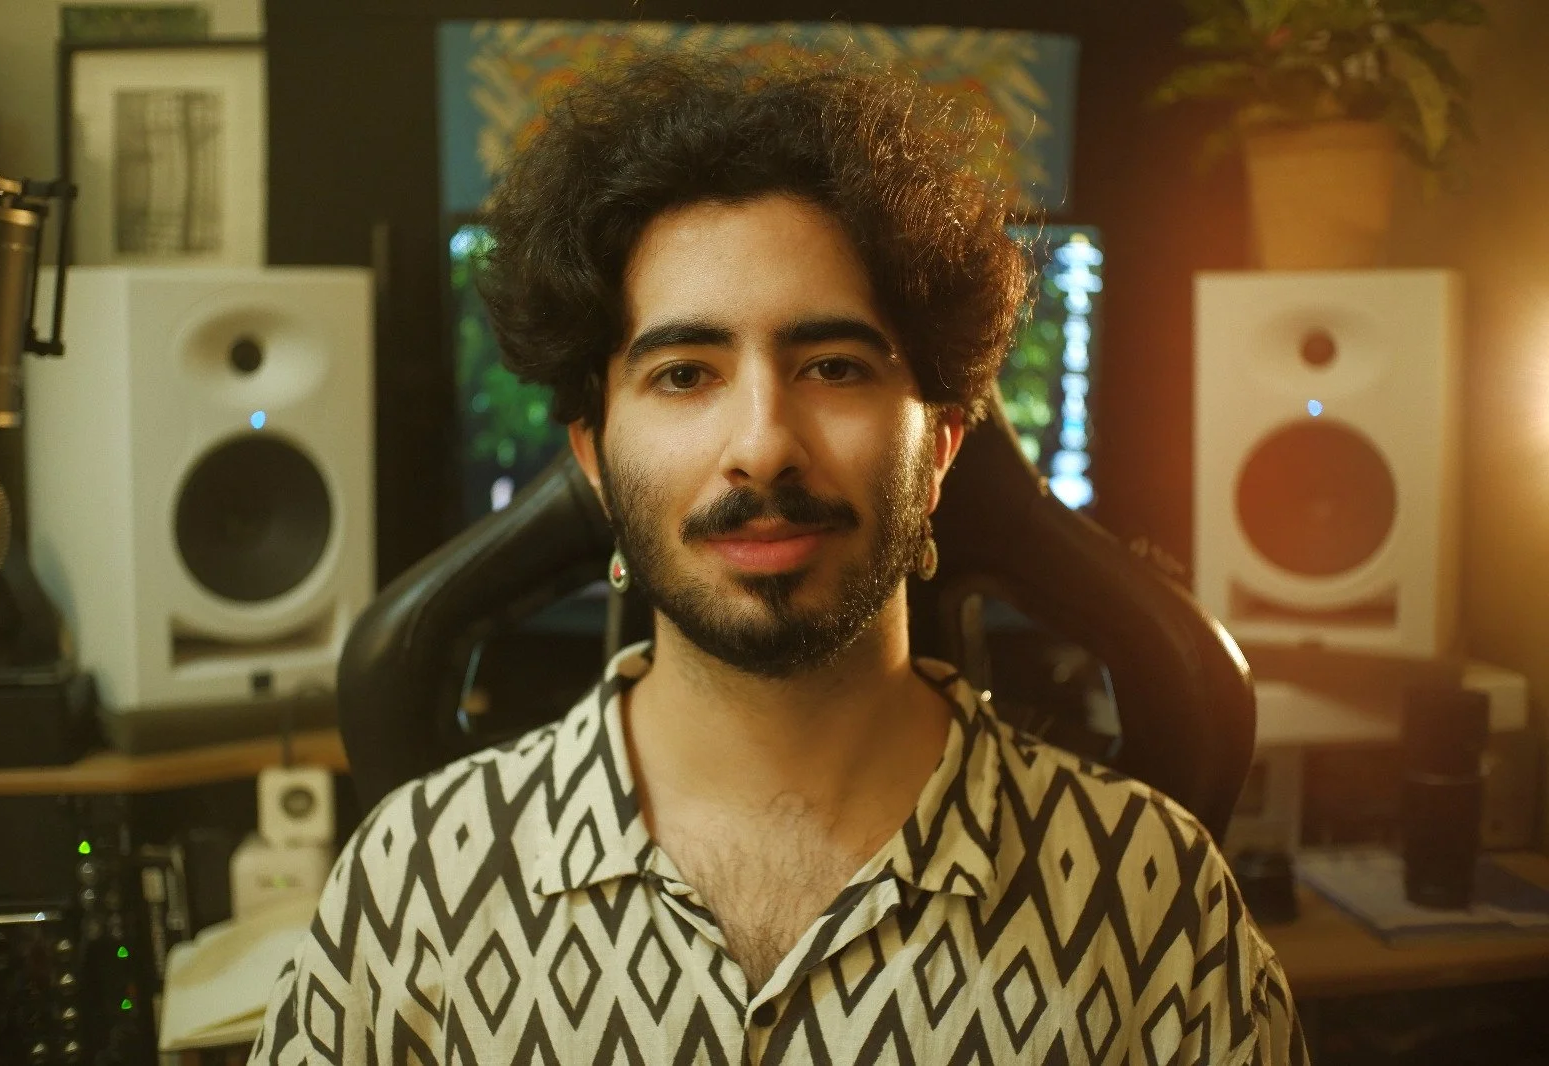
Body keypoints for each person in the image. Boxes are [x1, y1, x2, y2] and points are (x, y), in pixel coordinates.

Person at [251, 50, 1307, 1065]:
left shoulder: (1157, 892)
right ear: (595, 455)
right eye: (683, 374)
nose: (762, 441)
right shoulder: (412, 879)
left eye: (834, 365)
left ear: (938, 446)